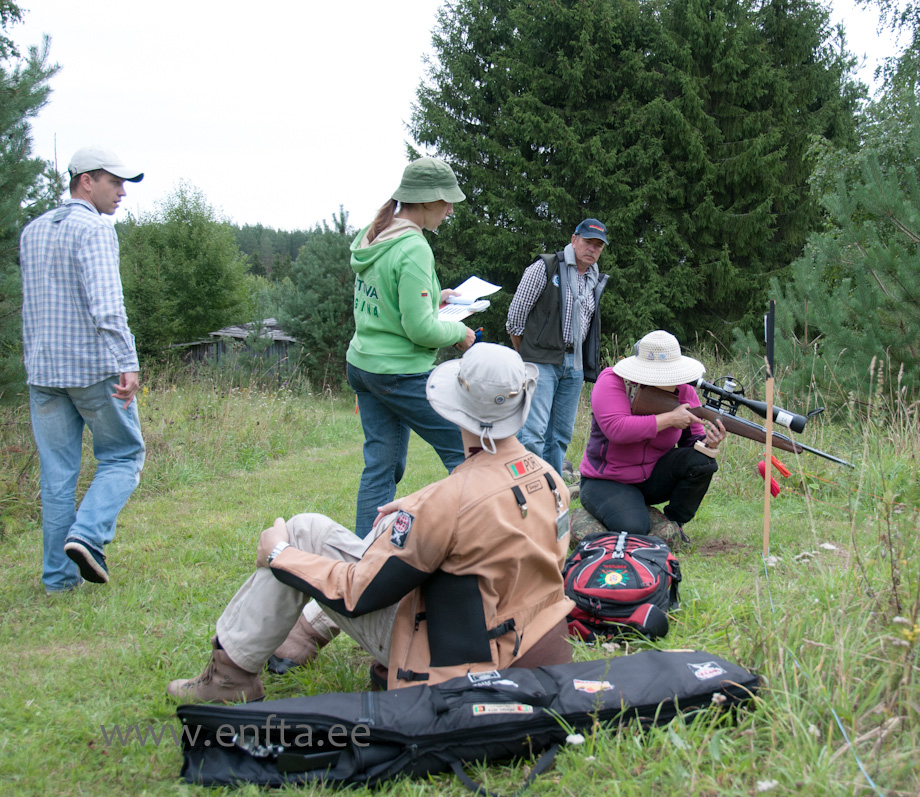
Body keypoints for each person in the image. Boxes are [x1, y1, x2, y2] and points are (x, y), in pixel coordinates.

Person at [167, 343, 574, 702]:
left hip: (457, 659)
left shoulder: (445, 504)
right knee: (314, 529)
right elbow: (491, 512)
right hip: (529, 642)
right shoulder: (550, 478)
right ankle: (297, 639)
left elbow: (359, 594)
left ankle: (228, 677)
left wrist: (279, 554)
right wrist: (419, 504)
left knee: (300, 534)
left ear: (457, 409)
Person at [19, 146, 146, 593]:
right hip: (94, 369)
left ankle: (57, 579)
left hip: (43, 372)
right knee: (124, 456)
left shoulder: (32, 231)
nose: (122, 193)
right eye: (115, 182)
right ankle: (87, 535)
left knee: (57, 475)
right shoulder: (95, 230)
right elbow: (107, 305)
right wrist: (127, 361)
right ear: (85, 181)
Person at [346, 157, 477, 539]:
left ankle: (361, 555)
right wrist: (458, 332)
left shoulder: (374, 235)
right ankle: (477, 543)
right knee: (468, 452)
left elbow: (389, 300)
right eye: (447, 202)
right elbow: (419, 329)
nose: (450, 210)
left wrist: (437, 296)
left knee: (381, 466)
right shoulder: (415, 247)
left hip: (363, 365)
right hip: (398, 371)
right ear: (426, 200)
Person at [578, 330, 726, 541]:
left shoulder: (685, 390)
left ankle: (674, 525)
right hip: (606, 480)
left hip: (652, 477)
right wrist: (670, 419)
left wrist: (709, 443)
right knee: (634, 528)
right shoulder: (612, 380)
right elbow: (617, 429)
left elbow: (692, 443)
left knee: (703, 461)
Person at [506, 218, 610, 475]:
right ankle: (524, 486)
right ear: (574, 239)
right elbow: (515, 318)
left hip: (573, 365)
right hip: (540, 361)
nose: (592, 249)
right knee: (532, 433)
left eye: (598, 245)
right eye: (588, 242)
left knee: (561, 435)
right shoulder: (545, 267)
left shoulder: (594, 279)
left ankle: (550, 489)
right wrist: (528, 355)